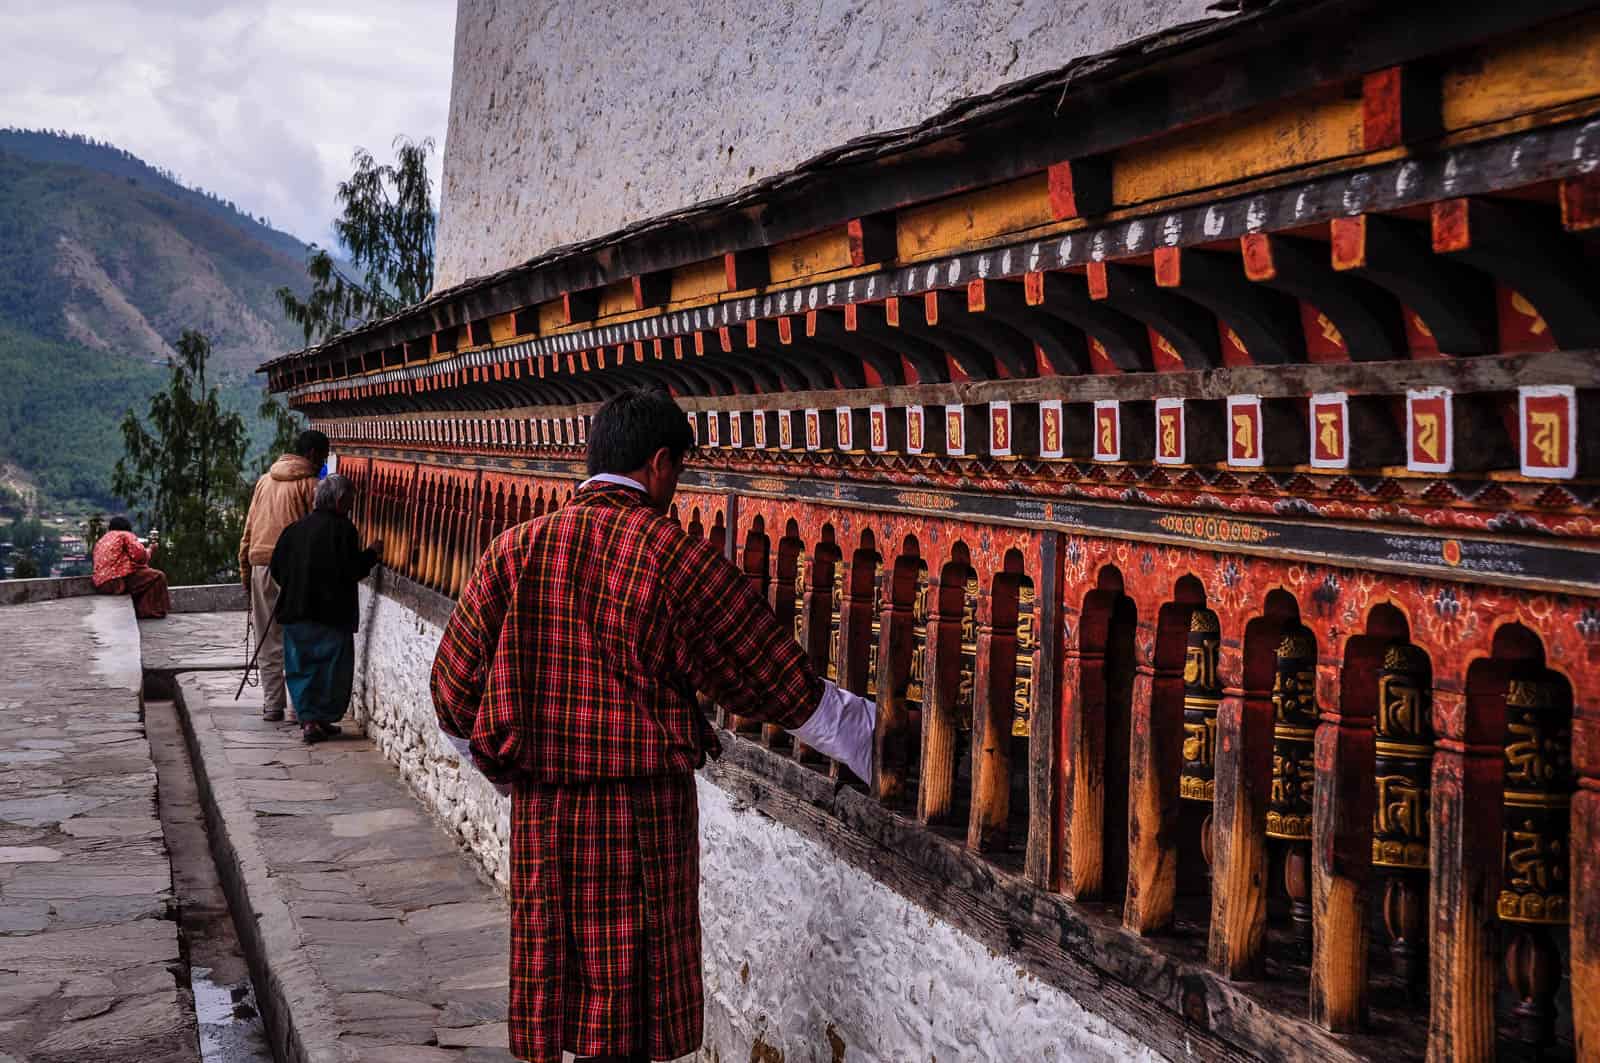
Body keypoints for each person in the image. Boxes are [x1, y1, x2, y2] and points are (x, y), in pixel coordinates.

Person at [431, 388, 875, 1063]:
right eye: (679, 473)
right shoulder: (675, 557)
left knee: (562, 980)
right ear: (660, 463)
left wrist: (506, 771)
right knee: (627, 1000)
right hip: (642, 816)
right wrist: (872, 737)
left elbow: (452, 692)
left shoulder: (513, 551)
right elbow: (771, 677)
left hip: (545, 811)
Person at [269, 475, 382, 745]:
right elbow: (352, 569)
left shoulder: (294, 530)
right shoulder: (343, 530)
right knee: (331, 669)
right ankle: (314, 719)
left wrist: (296, 586)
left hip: (297, 612)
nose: (352, 505)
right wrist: (372, 554)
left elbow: (277, 569)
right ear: (340, 500)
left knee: (302, 666)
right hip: (331, 615)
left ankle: (312, 719)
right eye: (351, 500)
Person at [239, 429, 328, 722]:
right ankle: (297, 708)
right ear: (313, 454)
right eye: (324, 456)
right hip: (295, 571)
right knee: (298, 636)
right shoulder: (311, 486)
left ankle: (272, 704)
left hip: (261, 565)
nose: (323, 462)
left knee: (268, 639)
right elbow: (315, 532)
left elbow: (248, 530)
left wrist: (245, 571)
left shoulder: (264, 481)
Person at [91, 516, 171, 619]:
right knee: (158, 576)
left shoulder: (102, 540)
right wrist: (150, 549)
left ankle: (143, 610)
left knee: (143, 576)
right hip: (117, 581)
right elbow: (140, 556)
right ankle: (149, 611)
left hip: (101, 584)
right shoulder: (125, 535)